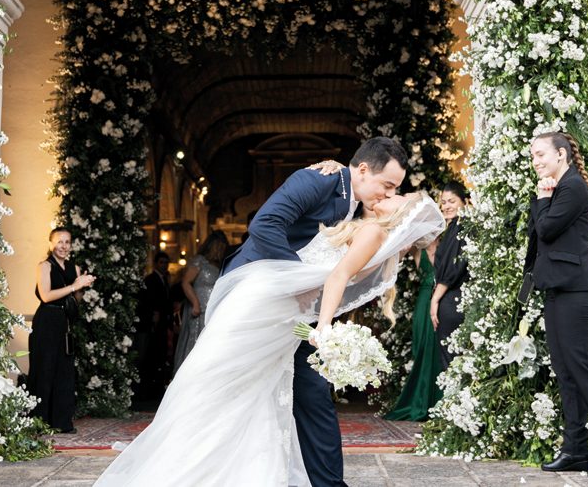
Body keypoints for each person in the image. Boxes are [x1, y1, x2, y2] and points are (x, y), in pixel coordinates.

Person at [93, 191, 445, 486]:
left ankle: (208, 463)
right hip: (276, 303)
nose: (389, 194)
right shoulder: (371, 232)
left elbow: (338, 275)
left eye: (399, 195)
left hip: (274, 304)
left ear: (402, 214)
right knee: (233, 380)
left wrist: (323, 327)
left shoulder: (374, 233)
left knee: (230, 380)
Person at [222, 136, 408, 487]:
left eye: (395, 189)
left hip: (296, 315)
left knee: (311, 393)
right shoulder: (316, 180)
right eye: (387, 185)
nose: (389, 194)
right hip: (260, 300)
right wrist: (298, 282)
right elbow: (264, 225)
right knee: (243, 391)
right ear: (363, 170)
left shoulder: (358, 203)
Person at [526, 132, 588, 479]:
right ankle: (576, 449)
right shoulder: (561, 188)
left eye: (541, 154)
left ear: (561, 154)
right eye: (533, 156)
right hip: (558, 287)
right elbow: (540, 234)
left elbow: (546, 230)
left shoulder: (573, 187)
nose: (536, 161)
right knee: (565, 371)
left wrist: (542, 198)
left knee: (582, 367)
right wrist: (545, 198)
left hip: (577, 290)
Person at [28, 227, 95, 433]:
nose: (63, 246)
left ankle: (62, 422)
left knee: (64, 372)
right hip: (46, 322)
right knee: (44, 370)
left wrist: (82, 286)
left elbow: (76, 299)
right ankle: (39, 422)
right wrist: (74, 286)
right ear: (51, 244)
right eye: (59, 241)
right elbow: (46, 296)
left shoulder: (74, 268)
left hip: (64, 323)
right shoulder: (44, 266)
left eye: (67, 242)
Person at [384, 239, 442, 421]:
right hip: (425, 300)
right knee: (422, 346)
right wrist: (403, 249)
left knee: (440, 347)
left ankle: (440, 402)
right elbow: (391, 263)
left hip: (444, 298)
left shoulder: (448, 243)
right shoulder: (417, 249)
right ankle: (421, 400)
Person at [173, 231, 228, 373]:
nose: (221, 251)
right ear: (213, 246)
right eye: (219, 247)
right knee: (196, 343)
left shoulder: (219, 265)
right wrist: (195, 303)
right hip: (199, 311)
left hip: (213, 312)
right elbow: (186, 282)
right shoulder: (200, 261)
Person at [430, 181, 469, 370]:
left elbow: (452, 268)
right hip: (458, 299)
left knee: (452, 363)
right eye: (443, 202)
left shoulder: (461, 228)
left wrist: (435, 299)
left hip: (452, 300)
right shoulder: (453, 229)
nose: (446, 206)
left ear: (465, 202)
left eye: (452, 201)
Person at [136, 252, 173, 398]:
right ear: (156, 263)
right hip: (153, 322)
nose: (164, 265)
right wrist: (154, 314)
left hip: (161, 322)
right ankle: (148, 388)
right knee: (151, 354)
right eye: (161, 262)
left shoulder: (164, 279)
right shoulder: (151, 279)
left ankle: (155, 387)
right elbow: (149, 299)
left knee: (159, 354)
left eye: (166, 262)